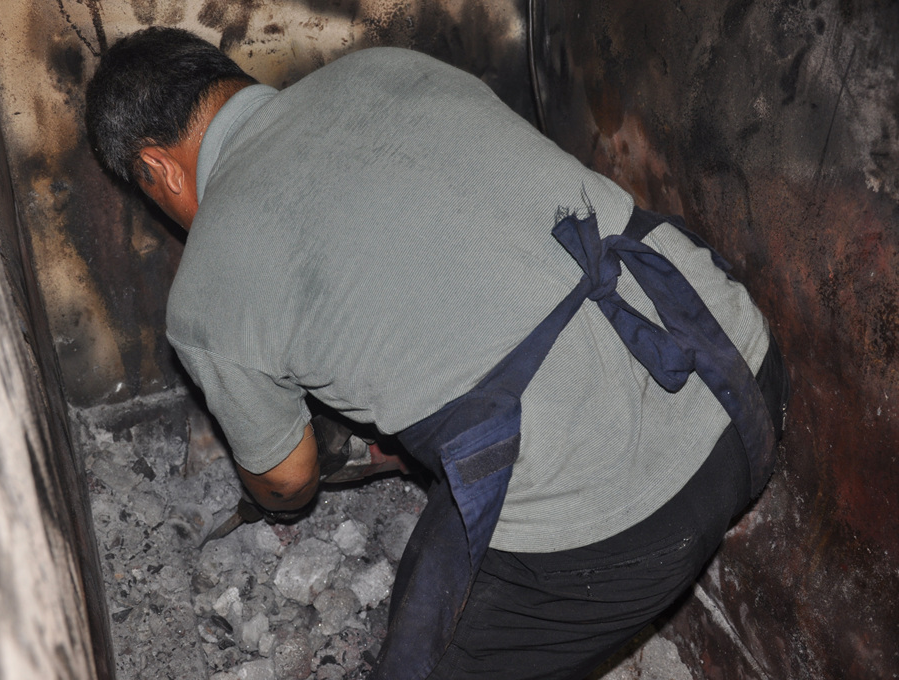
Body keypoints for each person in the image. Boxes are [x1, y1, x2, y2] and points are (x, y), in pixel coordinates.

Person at [85, 27, 789, 680]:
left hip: (623, 538)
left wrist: (274, 485)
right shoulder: (385, 65)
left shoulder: (208, 287)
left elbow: (288, 481)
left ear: (156, 167)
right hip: (738, 372)